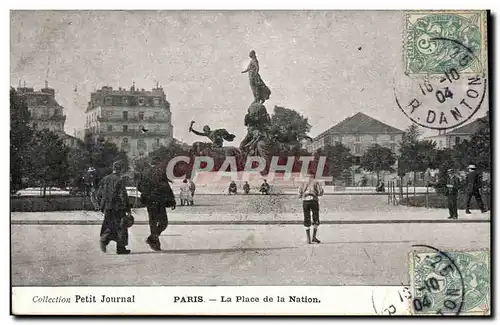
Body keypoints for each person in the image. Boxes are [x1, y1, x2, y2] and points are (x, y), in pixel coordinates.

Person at [137, 157, 176, 251]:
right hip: (159, 201)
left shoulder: (144, 173)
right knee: (163, 223)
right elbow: (166, 187)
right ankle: (153, 240)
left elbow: (139, 187)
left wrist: (147, 193)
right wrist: (172, 201)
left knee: (153, 222)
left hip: (150, 201)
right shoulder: (160, 172)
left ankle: (154, 241)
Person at [96, 161, 132, 254]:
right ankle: (120, 248)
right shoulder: (119, 180)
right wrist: (128, 208)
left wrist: (102, 206)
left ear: (113, 168)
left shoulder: (105, 179)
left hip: (107, 207)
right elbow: (123, 195)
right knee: (121, 227)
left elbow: (99, 194)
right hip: (118, 208)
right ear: (121, 169)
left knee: (109, 225)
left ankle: (104, 239)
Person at [298, 174, 324, 244]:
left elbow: (299, 194)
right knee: (315, 218)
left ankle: (308, 239)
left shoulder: (302, 182)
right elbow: (320, 192)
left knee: (306, 218)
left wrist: (304, 194)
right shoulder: (316, 182)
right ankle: (314, 237)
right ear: (313, 175)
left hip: (305, 202)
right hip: (314, 201)